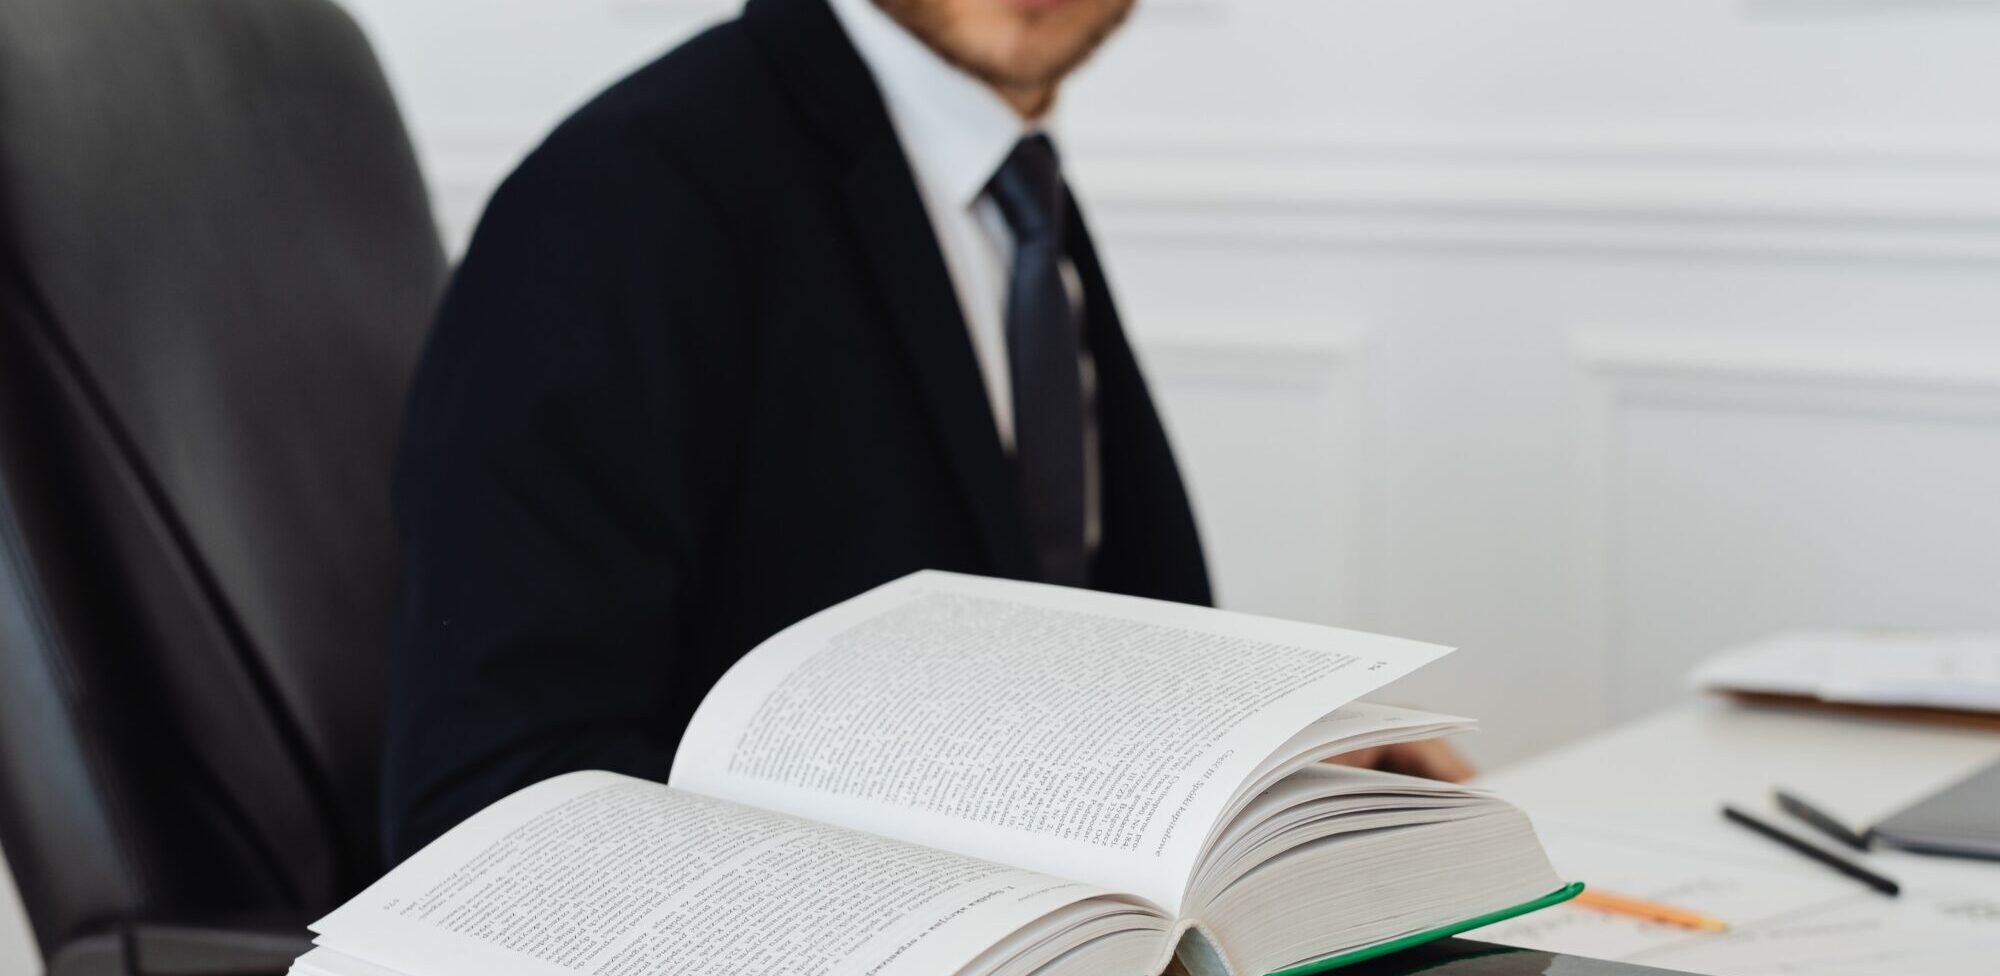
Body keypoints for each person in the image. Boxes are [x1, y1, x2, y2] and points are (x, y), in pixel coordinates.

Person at [380, 0, 1463, 862]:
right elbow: (493, 793)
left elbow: (1064, 649)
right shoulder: (627, 197)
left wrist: (1263, 770)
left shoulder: (1008, 190)